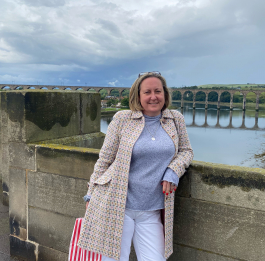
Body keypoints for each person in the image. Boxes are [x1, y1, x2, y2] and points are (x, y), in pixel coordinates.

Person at [77, 72, 194, 261]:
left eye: (158, 91)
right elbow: (105, 160)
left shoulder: (175, 119)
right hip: (116, 206)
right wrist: (90, 195)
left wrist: (173, 171)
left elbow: (186, 151)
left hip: (151, 210)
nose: (153, 96)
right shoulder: (122, 119)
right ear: (138, 96)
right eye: (147, 92)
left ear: (165, 94)